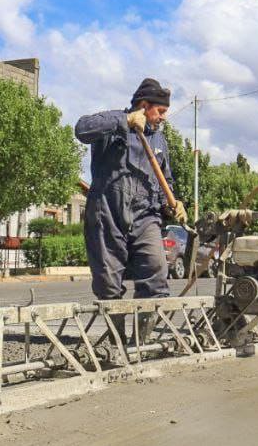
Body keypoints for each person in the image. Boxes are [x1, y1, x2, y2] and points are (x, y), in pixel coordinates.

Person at [75, 78, 187, 306]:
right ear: (144, 106)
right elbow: (81, 129)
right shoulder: (112, 123)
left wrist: (172, 201)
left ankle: (142, 339)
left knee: (156, 272)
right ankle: (119, 338)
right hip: (107, 214)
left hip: (145, 217)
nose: (164, 116)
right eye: (161, 110)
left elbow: (165, 179)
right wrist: (124, 120)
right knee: (108, 284)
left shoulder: (159, 139)